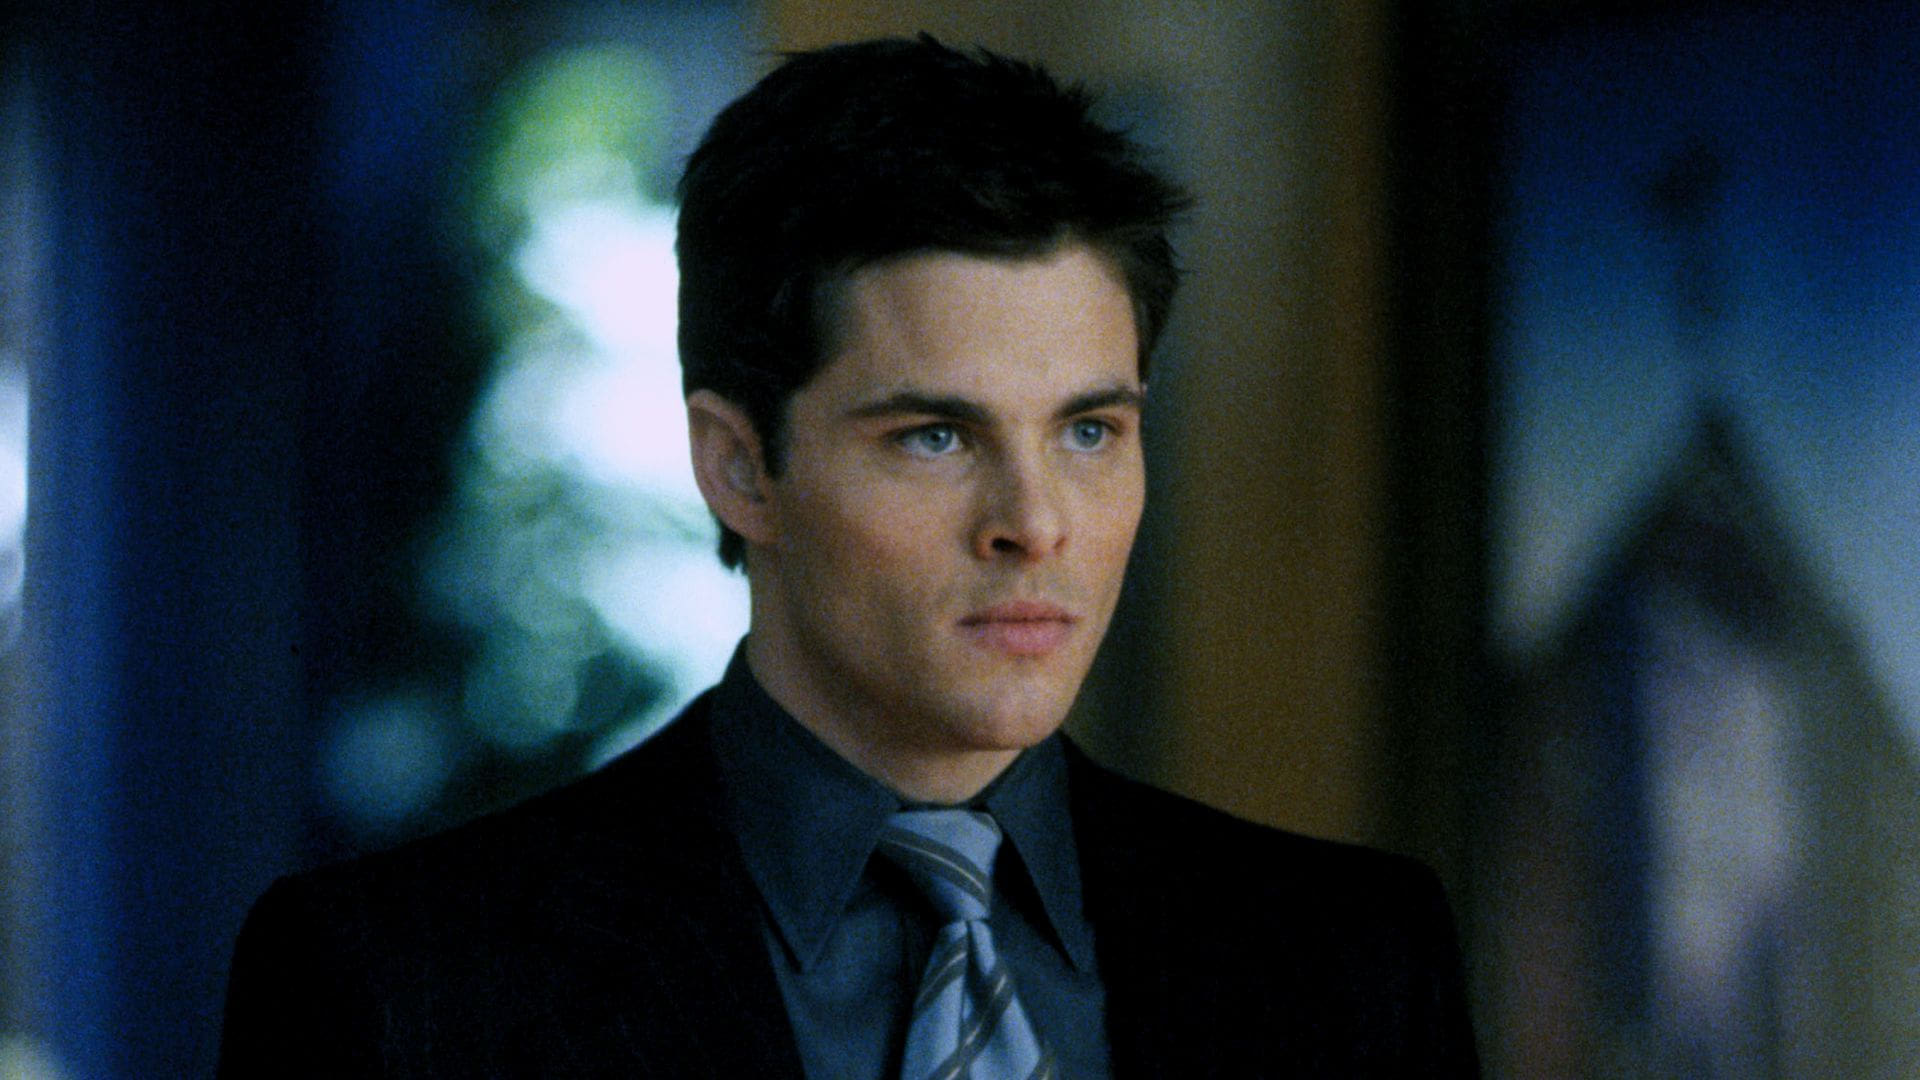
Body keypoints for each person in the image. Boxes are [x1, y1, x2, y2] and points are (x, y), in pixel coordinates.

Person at [219, 36, 1478, 1078]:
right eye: (936, 436)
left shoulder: (1355, 959)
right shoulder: (398, 984)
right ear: (738, 468)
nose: (1035, 522)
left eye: (1089, 430)